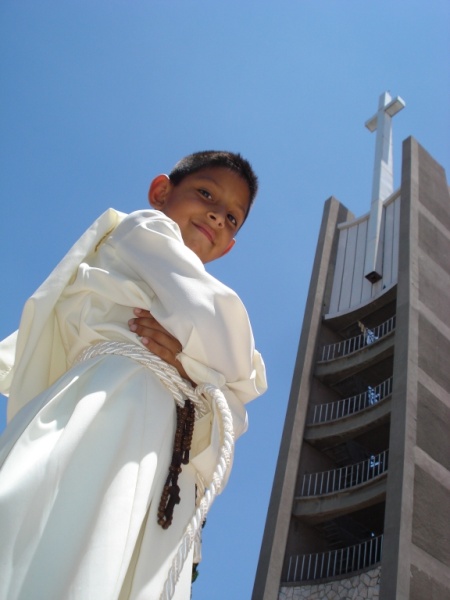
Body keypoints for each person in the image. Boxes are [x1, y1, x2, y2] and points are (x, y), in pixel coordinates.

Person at [0, 151, 267, 600]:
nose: (218, 218)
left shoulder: (186, 287)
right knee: (72, 535)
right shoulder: (144, 231)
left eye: (232, 219)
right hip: (110, 399)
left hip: (167, 453)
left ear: (229, 246)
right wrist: (205, 370)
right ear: (161, 192)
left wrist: (190, 366)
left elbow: (236, 407)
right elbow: (228, 347)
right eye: (206, 194)